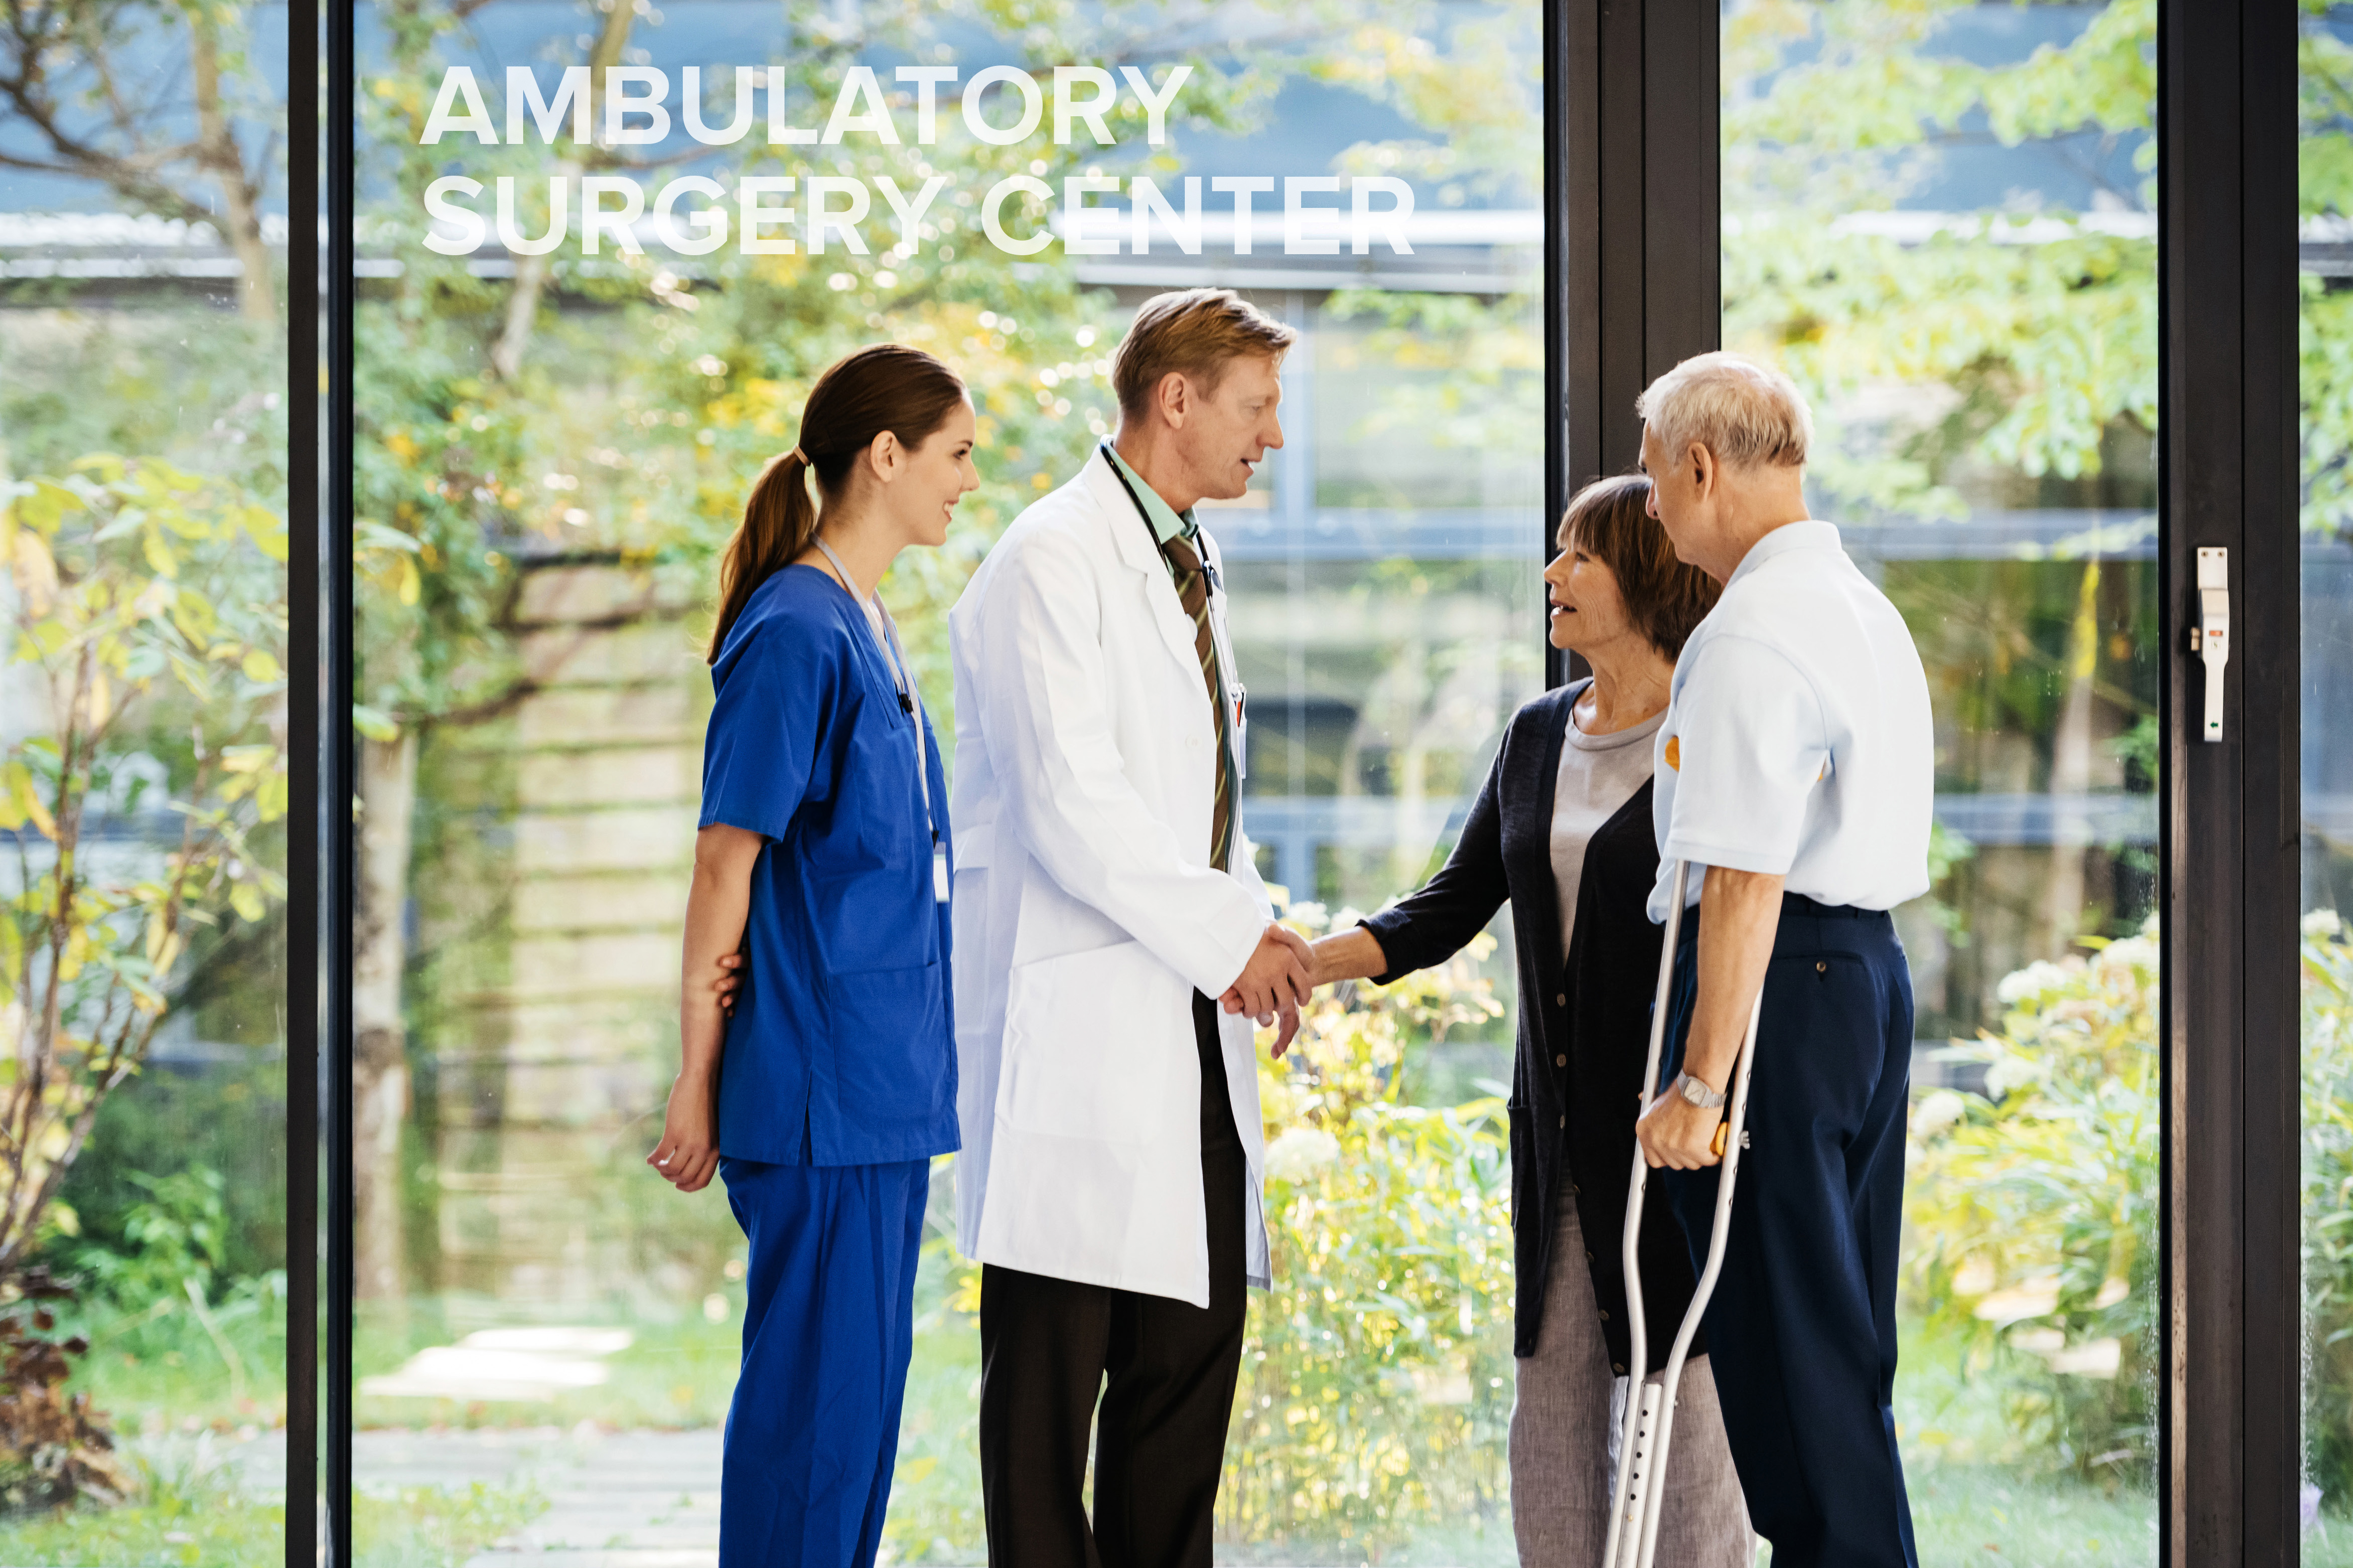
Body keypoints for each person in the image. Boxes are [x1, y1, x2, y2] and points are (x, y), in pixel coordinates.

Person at [1296, 474, 1749, 1566]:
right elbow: (1450, 906)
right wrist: (1306, 963)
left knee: (1682, 1444)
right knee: (1550, 1435)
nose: (1553, 576)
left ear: (1644, 574)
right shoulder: (1538, 732)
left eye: (1579, 557)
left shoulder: (1716, 733)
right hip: (1555, 1139)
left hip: (1665, 1138)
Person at [946, 286, 1314, 1568]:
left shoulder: (1185, 557)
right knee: (1048, 1415)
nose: (1273, 437)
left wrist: (1256, 941)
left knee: (1181, 1389)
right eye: (1258, 408)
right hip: (1088, 1031)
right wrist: (1235, 942)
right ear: (1178, 398)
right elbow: (1073, 805)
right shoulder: (1052, 556)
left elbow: (1200, 802)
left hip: (1186, 1032)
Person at [646, 343, 980, 1568]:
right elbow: (725, 863)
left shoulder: (868, 618)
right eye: (955, 455)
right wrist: (697, 1076)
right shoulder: (795, 627)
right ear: (883, 457)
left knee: (860, 1417)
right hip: (819, 1093)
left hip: (884, 1095)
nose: (969, 481)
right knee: (813, 1421)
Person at [1629, 351, 1934, 1568]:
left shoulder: (1754, 628)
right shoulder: (1860, 605)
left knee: (1793, 1366)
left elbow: (1745, 874)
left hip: (1782, 991)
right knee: (1841, 1345)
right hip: (1858, 980)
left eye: (1655, 484)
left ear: (1702, 467)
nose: (1650, 510)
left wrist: (1701, 1085)